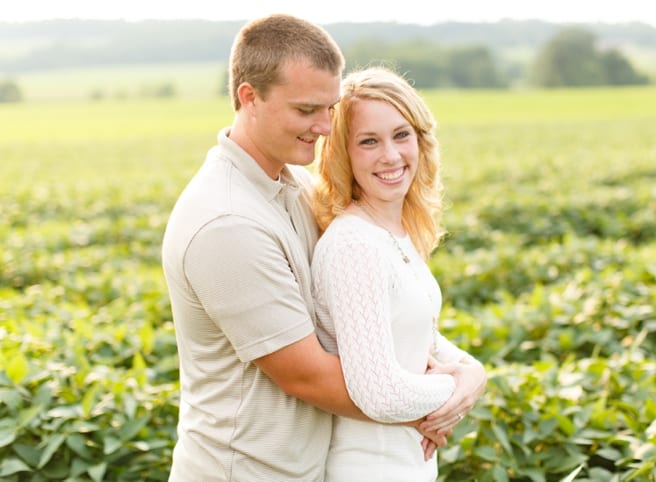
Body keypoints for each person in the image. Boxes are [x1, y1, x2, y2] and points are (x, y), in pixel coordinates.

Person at [161, 14, 482, 481]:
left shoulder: (294, 186)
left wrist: (466, 370)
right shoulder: (227, 222)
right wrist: (448, 393)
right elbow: (307, 375)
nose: (325, 127)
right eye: (306, 110)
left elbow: (378, 318)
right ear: (249, 97)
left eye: (329, 109)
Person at [311, 66, 487, 481]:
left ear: (421, 141)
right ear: (343, 153)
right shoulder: (354, 245)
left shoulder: (392, 232)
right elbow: (382, 394)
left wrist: (472, 370)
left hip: (409, 465)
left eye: (401, 135)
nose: (390, 155)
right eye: (369, 141)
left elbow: (415, 332)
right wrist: (460, 391)